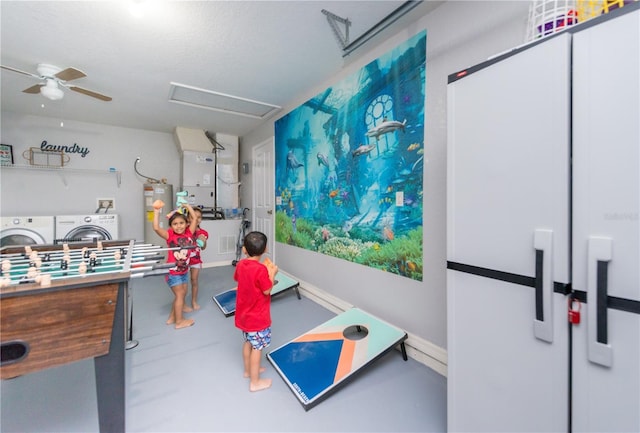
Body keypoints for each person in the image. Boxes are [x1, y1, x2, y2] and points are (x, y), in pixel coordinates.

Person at [234, 231, 278, 392]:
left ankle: (248, 370)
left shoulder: (240, 265)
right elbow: (267, 290)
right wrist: (271, 273)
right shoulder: (261, 270)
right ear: (265, 248)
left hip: (244, 316)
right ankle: (255, 382)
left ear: (244, 249)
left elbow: (241, 279)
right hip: (257, 318)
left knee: (248, 342)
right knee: (257, 348)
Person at [153, 203, 198, 329]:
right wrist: (156, 212)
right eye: (175, 224)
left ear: (186, 223)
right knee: (180, 295)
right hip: (173, 272)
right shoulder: (170, 236)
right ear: (171, 226)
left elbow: (194, 218)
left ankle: (172, 317)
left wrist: (188, 206)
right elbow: (156, 228)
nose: (178, 226)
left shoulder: (189, 233)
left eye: (181, 223)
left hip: (183, 271)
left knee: (182, 294)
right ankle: (179, 321)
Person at [188, 206, 208, 310]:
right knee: (182, 283)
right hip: (183, 260)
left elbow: (203, 247)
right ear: (188, 218)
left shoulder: (203, 233)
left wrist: (203, 241)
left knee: (194, 281)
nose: (196, 219)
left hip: (195, 260)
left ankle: (193, 301)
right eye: (193, 217)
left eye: (199, 217)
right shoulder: (185, 231)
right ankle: (181, 302)